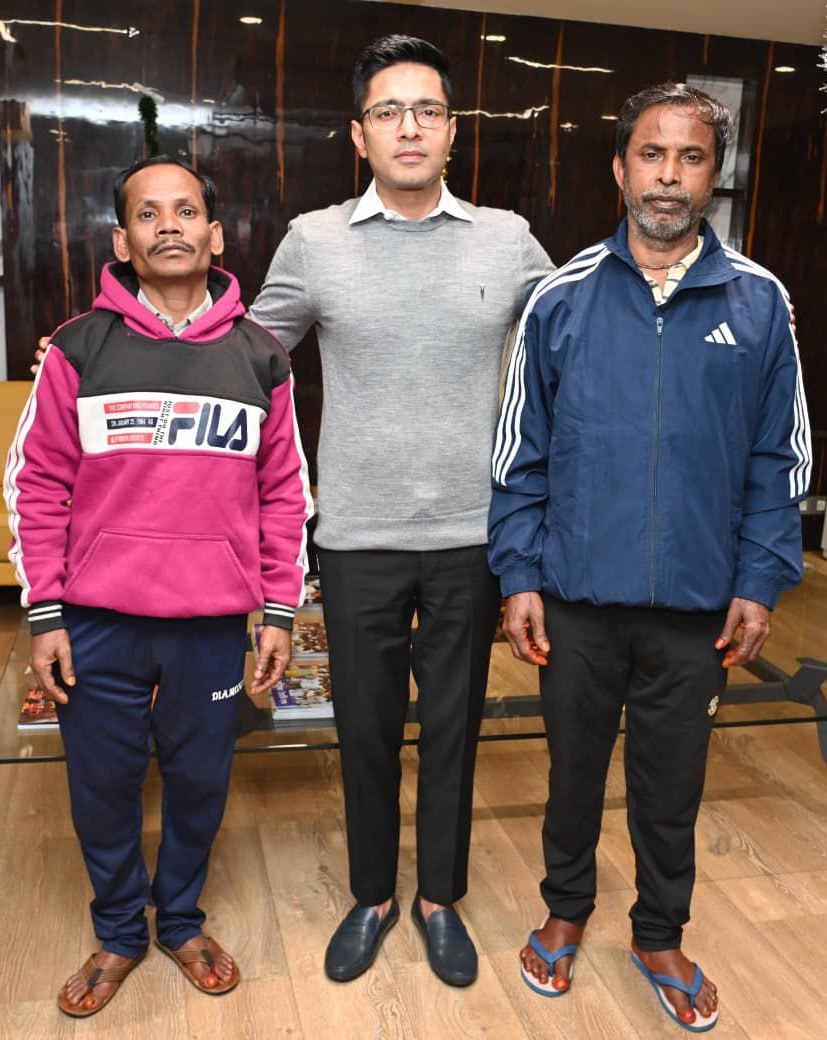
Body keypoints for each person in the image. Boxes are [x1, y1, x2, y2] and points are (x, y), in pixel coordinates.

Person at [488, 82, 810, 1031]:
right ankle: (564, 910)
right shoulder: (560, 298)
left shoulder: (758, 301)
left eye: (691, 157)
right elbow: (518, 455)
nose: (669, 176)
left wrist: (760, 578)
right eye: (652, 155)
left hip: (697, 608)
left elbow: (779, 457)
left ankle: (658, 933)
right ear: (619, 167)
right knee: (571, 775)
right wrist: (518, 573)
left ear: (715, 175)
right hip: (577, 599)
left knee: (671, 786)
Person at [251, 35, 554, 986]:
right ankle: (373, 895)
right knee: (366, 730)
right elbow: (245, 356)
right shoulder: (315, 240)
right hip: (356, 537)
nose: (409, 127)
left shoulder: (506, 238)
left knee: (455, 731)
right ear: (359, 135)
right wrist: (120, 344)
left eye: (426, 110)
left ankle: (439, 901)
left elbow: (578, 339)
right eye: (388, 112)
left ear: (452, 131)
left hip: (472, 535)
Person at [6, 155, 312, 1018]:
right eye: (148, 213)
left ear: (215, 235)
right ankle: (118, 932)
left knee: (199, 782)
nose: (168, 225)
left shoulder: (261, 356)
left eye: (185, 211)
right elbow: (37, 484)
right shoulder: (79, 347)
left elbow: (284, 492)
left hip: (210, 625)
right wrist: (45, 612)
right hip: (96, 621)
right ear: (122, 241)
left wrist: (278, 609)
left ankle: (179, 921)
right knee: (102, 786)